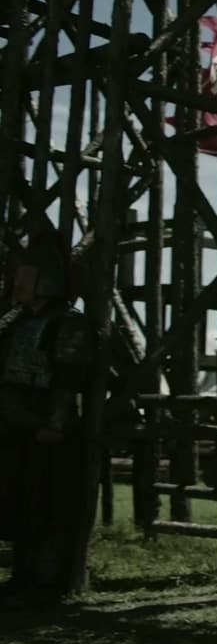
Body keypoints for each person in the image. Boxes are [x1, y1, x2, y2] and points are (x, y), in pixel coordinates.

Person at [0, 231, 94, 605]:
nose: (19, 285)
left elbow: (67, 379)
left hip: (46, 427)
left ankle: (48, 581)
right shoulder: (17, 322)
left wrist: (54, 424)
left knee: (48, 504)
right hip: (15, 425)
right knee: (18, 501)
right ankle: (23, 576)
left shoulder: (69, 324)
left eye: (27, 278)